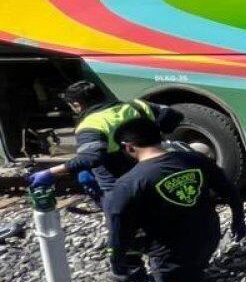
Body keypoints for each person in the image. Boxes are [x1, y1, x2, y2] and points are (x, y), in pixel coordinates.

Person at [102, 116, 246, 282]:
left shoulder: (130, 183)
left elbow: (119, 231)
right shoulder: (192, 160)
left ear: (129, 147)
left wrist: (122, 264)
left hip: (170, 254)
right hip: (204, 241)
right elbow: (227, 186)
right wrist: (237, 219)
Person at [28, 80, 183, 204]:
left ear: (77, 105)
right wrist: (153, 130)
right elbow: (174, 115)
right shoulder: (135, 105)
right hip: (154, 168)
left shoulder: (91, 124)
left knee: (89, 181)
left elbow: (90, 158)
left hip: (118, 182)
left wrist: (50, 172)